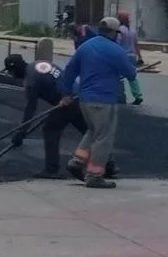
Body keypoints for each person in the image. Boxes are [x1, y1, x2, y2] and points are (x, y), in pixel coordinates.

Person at [21, 38, 118, 180]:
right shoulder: (37, 65)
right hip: (78, 95)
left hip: (67, 100)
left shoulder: (31, 81)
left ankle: (52, 169)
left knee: (51, 129)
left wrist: (21, 132)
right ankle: (109, 165)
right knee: (90, 131)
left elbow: (30, 108)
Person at [58, 17, 137, 189]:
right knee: (103, 138)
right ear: (113, 32)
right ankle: (94, 175)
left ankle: (77, 162)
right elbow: (131, 74)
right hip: (104, 100)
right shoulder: (116, 51)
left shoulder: (85, 47)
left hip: (85, 100)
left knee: (93, 131)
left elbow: (70, 70)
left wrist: (66, 94)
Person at [114, 10, 144, 106]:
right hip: (132, 56)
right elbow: (136, 45)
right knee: (132, 77)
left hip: (123, 56)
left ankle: (121, 97)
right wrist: (140, 57)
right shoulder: (133, 30)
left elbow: (117, 44)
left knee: (118, 77)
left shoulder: (120, 30)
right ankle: (138, 96)